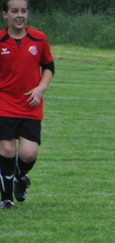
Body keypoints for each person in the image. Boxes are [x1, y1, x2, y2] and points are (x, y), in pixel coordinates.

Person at [0, 0, 54, 210]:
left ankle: (20, 176)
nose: (20, 15)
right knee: (6, 149)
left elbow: (48, 66)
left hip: (30, 104)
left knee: (29, 153)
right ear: (5, 14)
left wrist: (40, 88)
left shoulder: (39, 38)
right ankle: (6, 199)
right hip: (4, 102)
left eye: (23, 10)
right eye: (14, 11)